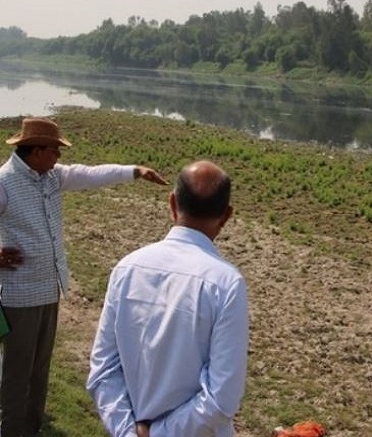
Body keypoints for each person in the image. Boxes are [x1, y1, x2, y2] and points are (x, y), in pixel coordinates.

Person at [0, 116, 169, 437]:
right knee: (16, 372)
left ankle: (32, 427)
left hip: (49, 291)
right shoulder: (4, 183)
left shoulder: (50, 177)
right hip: (19, 296)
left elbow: (90, 174)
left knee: (39, 368)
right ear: (36, 151)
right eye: (54, 151)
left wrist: (134, 170)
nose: (59, 157)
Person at [87, 160, 249, 437]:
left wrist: (128, 431)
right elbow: (221, 399)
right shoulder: (226, 283)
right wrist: (159, 433)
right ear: (226, 216)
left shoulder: (128, 267)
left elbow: (103, 371)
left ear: (172, 204)